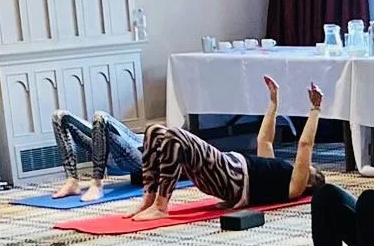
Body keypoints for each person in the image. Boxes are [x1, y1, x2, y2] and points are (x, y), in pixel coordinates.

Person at [130, 77, 326, 221]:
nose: (302, 164)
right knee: (154, 131)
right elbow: (264, 141)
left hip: (232, 177)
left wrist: (315, 109)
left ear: (308, 182)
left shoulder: (295, 186)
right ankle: (149, 198)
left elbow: (305, 145)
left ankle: (160, 206)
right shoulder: (278, 172)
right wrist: (274, 102)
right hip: (227, 171)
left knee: (174, 136)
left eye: (307, 167)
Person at [48, 109, 144, 202]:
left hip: (137, 154)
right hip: (114, 150)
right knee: (59, 116)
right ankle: (72, 181)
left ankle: (97, 183)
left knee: (100, 117)